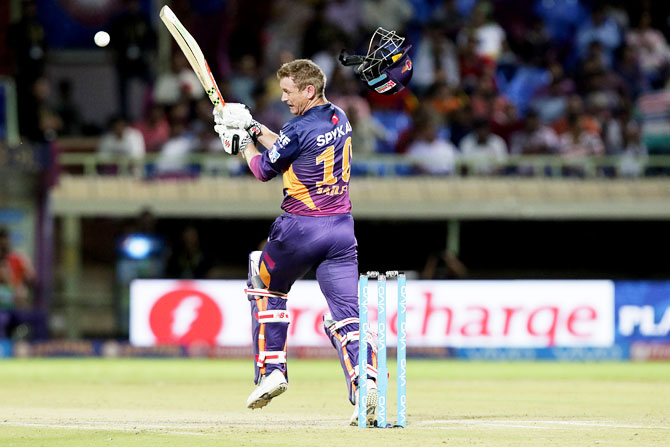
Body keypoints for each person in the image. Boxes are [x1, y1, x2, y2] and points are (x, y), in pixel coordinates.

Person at [212, 59, 377, 426]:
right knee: (346, 315)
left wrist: (239, 143)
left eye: (288, 91)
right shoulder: (338, 117)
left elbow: (263, 169)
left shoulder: (298, 127)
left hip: (300, 228)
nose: (283, 97)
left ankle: (272, 370)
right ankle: (365, 384)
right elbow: (289, 148)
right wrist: (253, 126)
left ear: (308, 90)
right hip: (341, 231)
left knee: (263, 281)